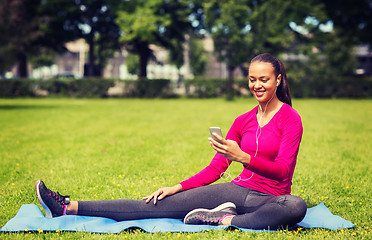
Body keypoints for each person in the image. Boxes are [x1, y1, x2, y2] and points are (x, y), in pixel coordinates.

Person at [35, 53, 307, 230]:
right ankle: (66, 207)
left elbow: (283, 170)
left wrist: (243, 158)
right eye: (252, 79)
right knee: (154, 206)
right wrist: (175, 187)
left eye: (264, 79)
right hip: (237, 192)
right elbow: (215, 169)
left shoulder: (290, 119)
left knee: (296, 207)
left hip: (272, 198)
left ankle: (225, 219)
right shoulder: (242, 120)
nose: (257, 85)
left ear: (278, 80)